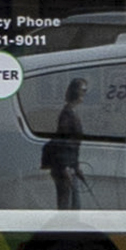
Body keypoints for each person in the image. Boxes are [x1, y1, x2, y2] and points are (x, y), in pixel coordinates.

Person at [46, 77, 88, 209]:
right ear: (76, 92)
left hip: (70, 166)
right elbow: (63, 142)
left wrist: (76, 165)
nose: (84, 94)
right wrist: (65, 167)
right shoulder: (67, 115)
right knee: (66, 204)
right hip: (64, 168)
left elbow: (73, 145)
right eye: (83, 90)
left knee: (74, 205)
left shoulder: (72, 113)